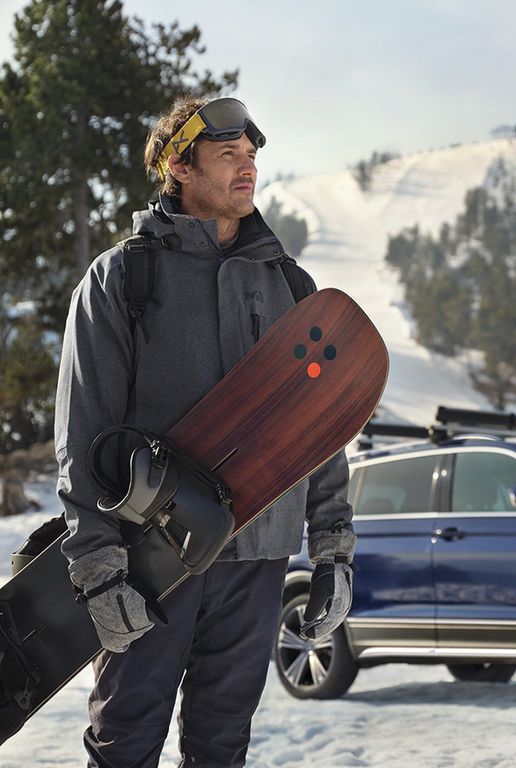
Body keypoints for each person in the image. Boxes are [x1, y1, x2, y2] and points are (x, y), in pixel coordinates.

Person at [54, 96, 355, 767]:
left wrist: (333, 549)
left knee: (222, 747)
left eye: (251, 155)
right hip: (151, 560)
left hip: (258, 558)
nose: (248, 169)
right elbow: (83, 432)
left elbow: (319, 428)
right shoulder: (122, 279)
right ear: (180, 167)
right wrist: (98, 570)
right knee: (124, 744)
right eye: (227, 156)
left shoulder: (289, 285)